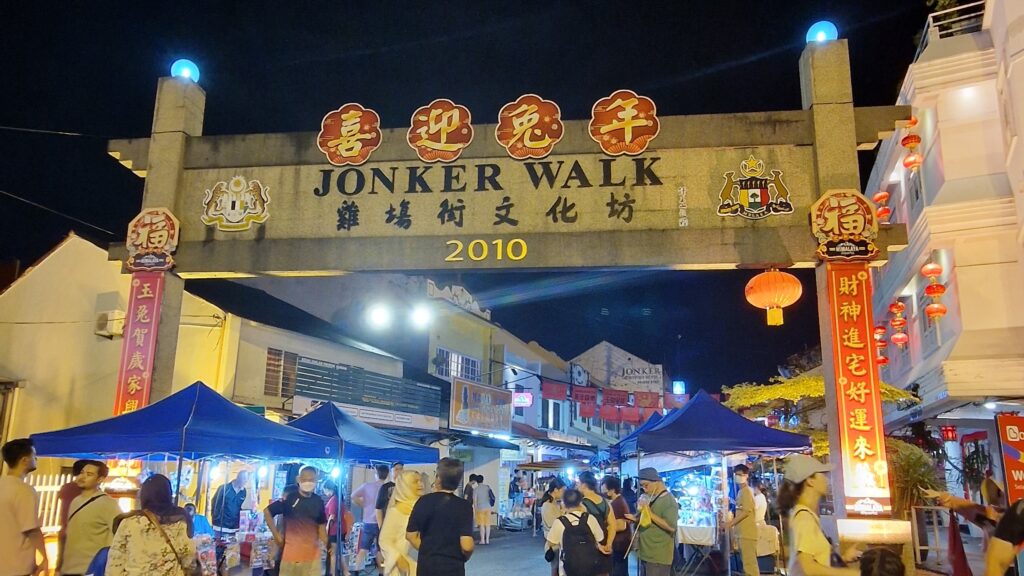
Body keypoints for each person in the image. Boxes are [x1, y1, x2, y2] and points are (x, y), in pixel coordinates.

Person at [776, 454, 859, 576]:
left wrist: (844, 558)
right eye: (823, 474)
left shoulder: (806, 515)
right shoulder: (804, 518)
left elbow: (814, 560)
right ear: (810, 481)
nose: (827, 479)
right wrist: (856, 574)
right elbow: (809, 569)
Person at [107, 474, 196, 576]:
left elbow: (115, 563)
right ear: (168, 494)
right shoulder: (181, 521)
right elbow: (189, 561)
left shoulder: (129, 522)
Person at [406, 457, 474, 576]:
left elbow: (410, 535)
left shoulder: (423, 501)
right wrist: (463, 557)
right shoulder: (464, 506)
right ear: (458, 481)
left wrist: (427, 551)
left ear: (438, 479)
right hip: (453, 567)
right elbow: (467, 545)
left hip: (426, 566)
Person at [57, 460, 121, 576]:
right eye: (82, 472)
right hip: (68, 569)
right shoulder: (75, 501)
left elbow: (119, 534)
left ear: (100, 479)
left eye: (89, 474)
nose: (82, 477)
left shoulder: (108, 503)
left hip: (90, 570)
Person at [263, 466, 328, 576]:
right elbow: (267, 512)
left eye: (311, 480)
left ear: (316, 480)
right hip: (290, 559)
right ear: (298, 479)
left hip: (312, 560)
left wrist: (330, 546)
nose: (308, 482)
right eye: (305, 479)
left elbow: (322, 529)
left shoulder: (319, 502)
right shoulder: (290, 499)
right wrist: (276, 535)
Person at [1, 438, 47, 576]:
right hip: (16, 565)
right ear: (25, 460)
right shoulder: (24, 491)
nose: (36, 459)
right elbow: (31, 529)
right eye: (34, 455)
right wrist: (45, 557)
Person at [546, 488, 604, 576]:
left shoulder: (560, 522)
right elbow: (600, 538)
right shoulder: (590, 518)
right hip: (590, 566)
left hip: (568, 568)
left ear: (564, 503)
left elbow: (551, 542)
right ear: (580, 502)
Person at [635, 467, 679, 576]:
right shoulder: (652, 498)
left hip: (658, 556)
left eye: (646, 485)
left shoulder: (669, 501)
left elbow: (671, 527)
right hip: (646, 552)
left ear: (657, 482)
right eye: (642, 486)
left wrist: (649, 513)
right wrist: (635, 518)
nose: (644, 489)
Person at [379, 471, 423, 576]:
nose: (421, 484)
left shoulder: (420, 506)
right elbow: (384, 540)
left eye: (421, 481)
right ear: (405, 486)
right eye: (415, 482)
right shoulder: (397, 511)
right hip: (401, 568)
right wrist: (399, 559)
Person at [352, 464, 388, 574]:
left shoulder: (367, 486)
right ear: (387, 475)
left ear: (376, 474)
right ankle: (381, 572)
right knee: (379, 550)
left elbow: (353, 496)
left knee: (363, 548)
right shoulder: (388, 488)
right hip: (382, 523)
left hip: (368, 522)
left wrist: (364, 504)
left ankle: (356, 571)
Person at [576, 471, 615, 575]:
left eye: (578, 483)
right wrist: (608, 544)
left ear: (584, 485)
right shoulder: (606, 502)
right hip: (605, 542)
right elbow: (612, 525)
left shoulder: (581, 505)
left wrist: (597, 545)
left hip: (588, 548)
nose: (577, 486)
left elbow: (583, 530)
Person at [723, 464, 759, 576]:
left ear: (746, 476)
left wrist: (729, 524)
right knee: (746, 564)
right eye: (736, 474)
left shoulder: (746, 491)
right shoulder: (741, 491)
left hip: (747, 533)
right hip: (742, 533)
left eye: (740, 475)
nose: (738, 477)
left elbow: (746, 511)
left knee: (750, 565)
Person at [602, 475, 634, 576]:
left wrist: (605, 528)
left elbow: (621, 525)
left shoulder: (617, 503)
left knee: (619, 570)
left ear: (612, 490)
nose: (605, 494)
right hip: (621, 543)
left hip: (620, 543)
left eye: (605, 491)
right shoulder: (617, 501)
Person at [540, 478, 567, 576]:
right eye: (563, 490)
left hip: (559, 542)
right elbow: (554, 524)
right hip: (554, 544)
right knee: (556, 569)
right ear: (556, 490)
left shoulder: (556, 503)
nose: (564, 493)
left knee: (559, 569)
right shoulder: (547, 505)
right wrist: (563, 513)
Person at [211, 469, 249, 538]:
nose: (245, 481)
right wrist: (215, 518)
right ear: (238, 478)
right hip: (220, 526)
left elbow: (241, 507)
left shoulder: (243, 492)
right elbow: (214, 502)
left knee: (232, 548)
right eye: (244, 479)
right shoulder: (224, 488)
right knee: (219, 546)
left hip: (234, 527)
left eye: (247, 479)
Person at [323, 482, 350, 576]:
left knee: (333, 553)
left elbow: (332, 517)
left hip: (334, 530)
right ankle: (346, 572)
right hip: (341, 528)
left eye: (324, 490)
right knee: (339, 552)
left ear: (328, 489)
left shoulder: (334, 500)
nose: (324, 493)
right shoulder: (338, 499)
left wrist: (327, 529)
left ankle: (333, 573)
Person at [376, 462, 405, 527]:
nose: (399, 471)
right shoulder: (385, 487)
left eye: (401, 469)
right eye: (396, 469)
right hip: (389, 524)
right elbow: (378, 508)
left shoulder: (407, 486)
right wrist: (381, 527)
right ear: (391, 472)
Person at [472, 474, 494, 545]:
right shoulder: (487, 487)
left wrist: (475, 509)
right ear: (483, 480)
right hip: (488, 507)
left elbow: (474, 501)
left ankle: (482, 540)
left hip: (480, 508)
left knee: (481, 525)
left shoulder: (476, 490)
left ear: (477, 481)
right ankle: (487, 540)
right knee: (487, 524)